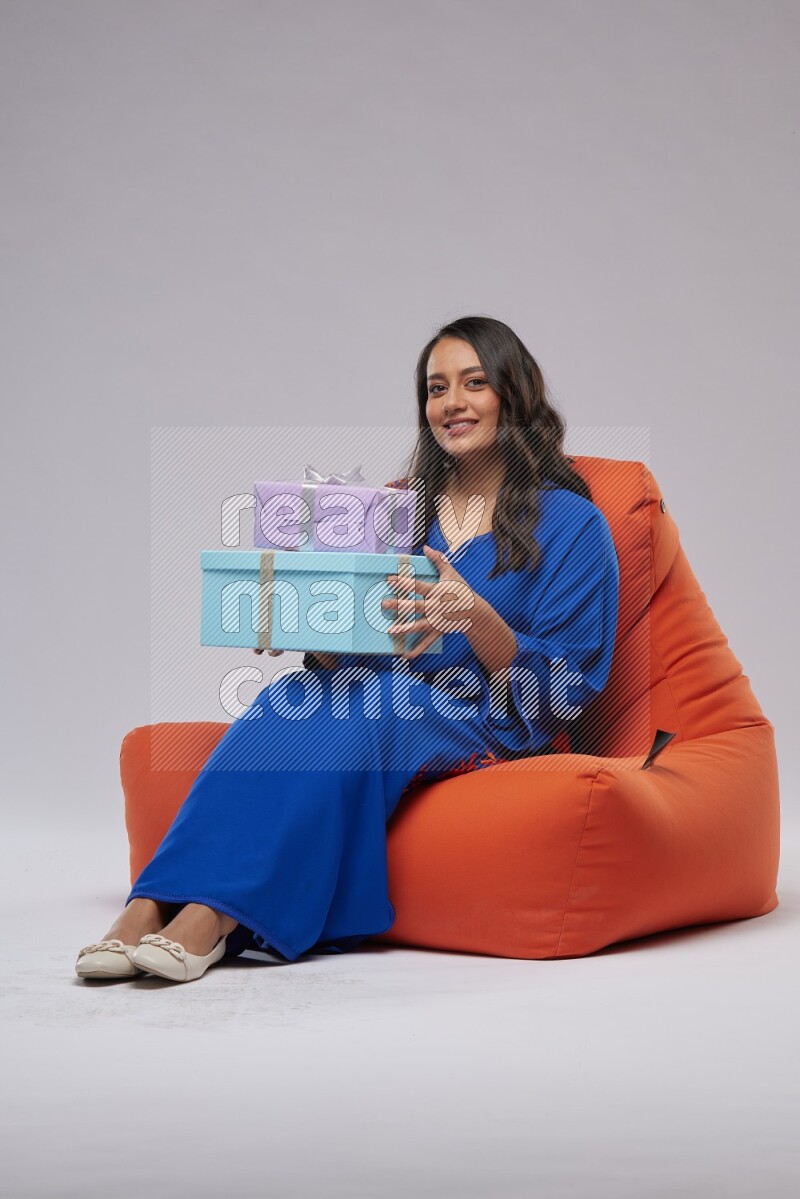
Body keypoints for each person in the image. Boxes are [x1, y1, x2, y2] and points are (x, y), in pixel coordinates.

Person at [75, 315, 621, 983]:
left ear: (515, 393)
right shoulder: (398, 513)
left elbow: (567, 689)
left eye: (474, 383)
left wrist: (476, 618)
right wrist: (315, 635)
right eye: (436, 387)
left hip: (492, 719)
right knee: (292, 696)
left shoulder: (573, 524)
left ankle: (215, 918)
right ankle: (148, 902)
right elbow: (364, 647)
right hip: (384, 699)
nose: (452, 402)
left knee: (386, 698)